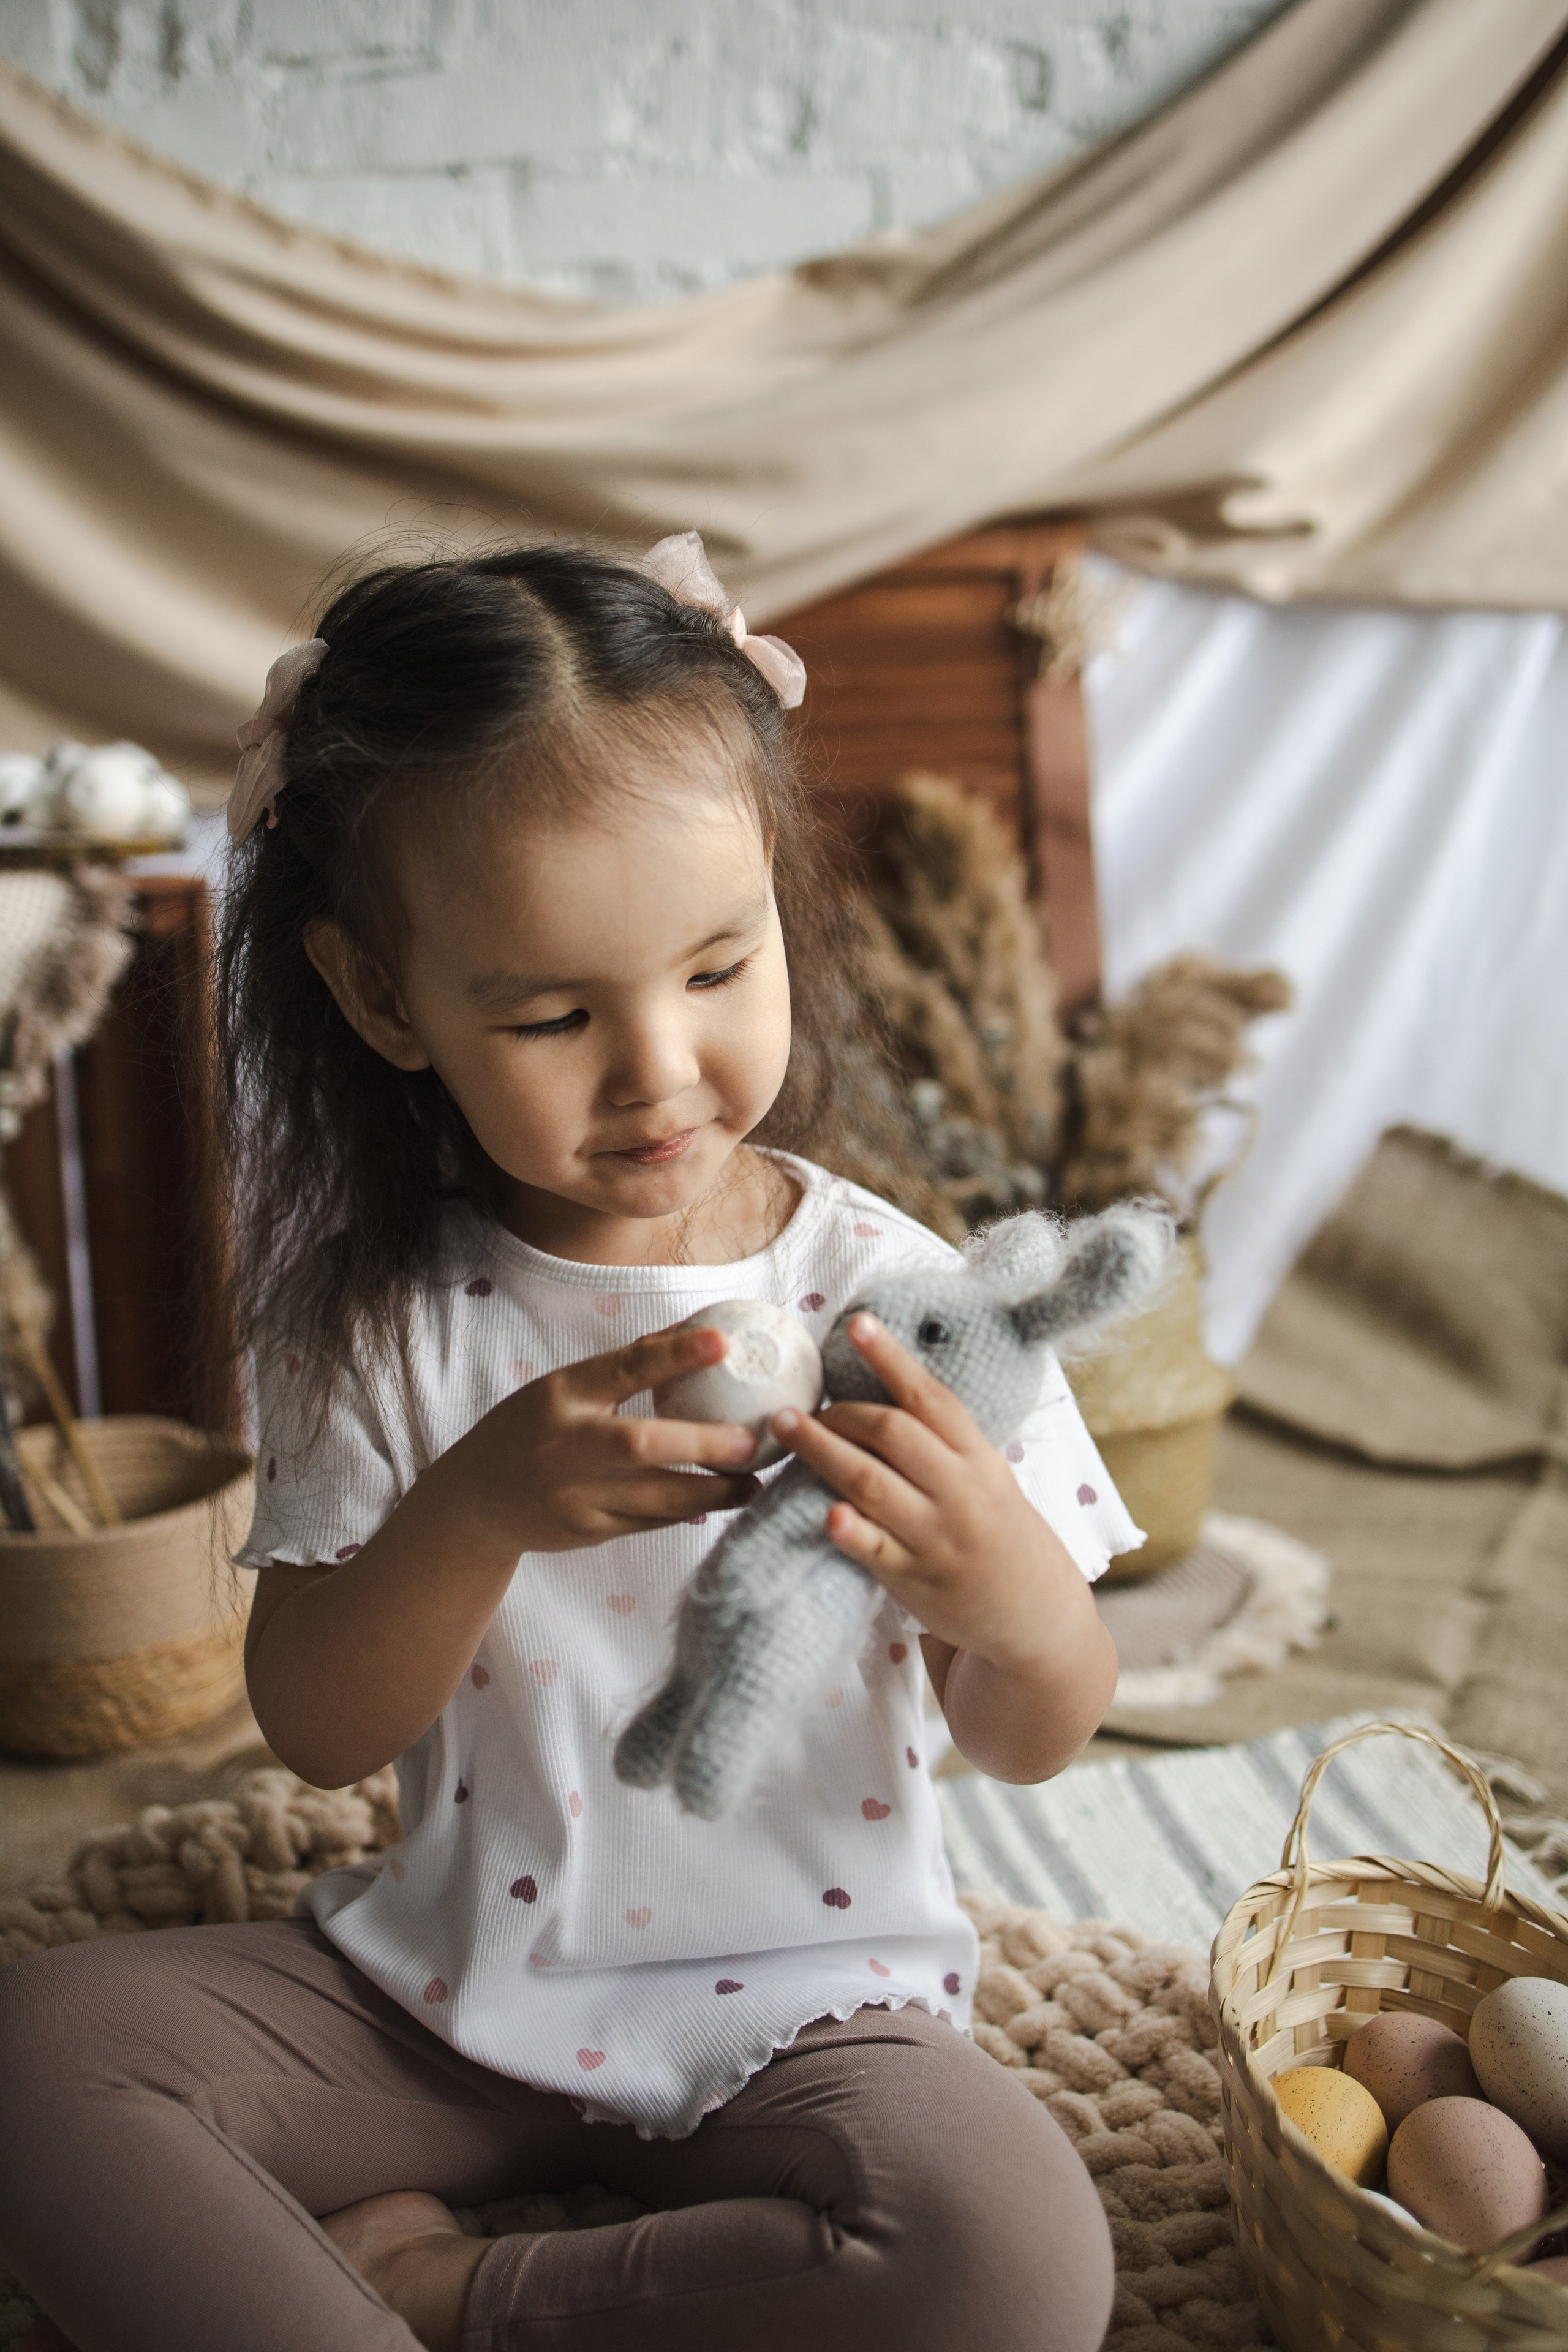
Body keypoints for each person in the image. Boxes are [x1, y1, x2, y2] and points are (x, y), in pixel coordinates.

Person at [0, 534, 1131, 2352]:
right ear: (384, 1001)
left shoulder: (903, 1299)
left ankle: (451, 2294)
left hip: (811, 2004)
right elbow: (317, 1728)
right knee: (43, 2056)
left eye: (719, 967)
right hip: (444, 1995)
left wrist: (1010, 1598)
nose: (659, 1069)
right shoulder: (382, 1319)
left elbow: (1036, 1728)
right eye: (552, 1015)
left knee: (1013, 2260)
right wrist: (476, 1511)